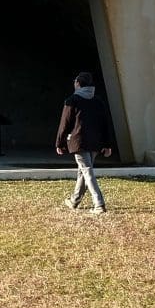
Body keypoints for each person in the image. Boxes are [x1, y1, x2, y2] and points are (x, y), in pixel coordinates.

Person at [55, 71, 114, 213]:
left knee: (87, 171)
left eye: (75, 82)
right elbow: (104, 124)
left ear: (78, 84)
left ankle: (99, 203)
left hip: (79, 142)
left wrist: (60, 143)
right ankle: (74, 201)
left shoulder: (72, 100)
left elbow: (65, 124)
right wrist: (107, 144)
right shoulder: (98, 101)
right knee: (84, 171)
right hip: (95, 142)